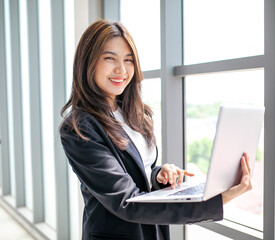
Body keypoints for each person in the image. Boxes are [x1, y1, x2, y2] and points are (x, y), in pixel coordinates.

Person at [59, 19, 252, 240]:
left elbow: (136, 168)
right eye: (109, 58)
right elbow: (126, 202)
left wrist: (157, 175)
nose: (121, 69)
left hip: (152, 232)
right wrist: (219, 200)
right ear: (88, 62)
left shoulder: (133, 114)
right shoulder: (79, 128)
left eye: (129, 60)